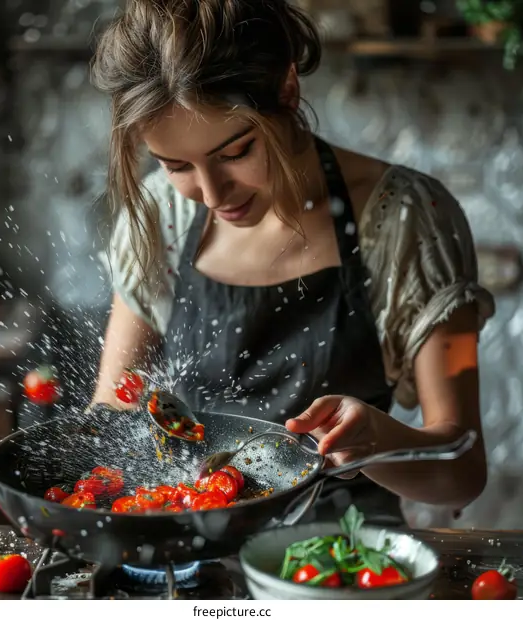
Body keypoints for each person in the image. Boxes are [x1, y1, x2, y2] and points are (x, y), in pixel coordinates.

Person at [88, 0, 496, 523]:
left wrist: (379, 442)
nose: (212, 193)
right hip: (188, 541)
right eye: (176, 165)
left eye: (235, 153)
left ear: (286, 88)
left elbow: (462, 470)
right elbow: (117, 411)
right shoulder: (162, 216)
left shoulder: (408, 218)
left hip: (340, 558)